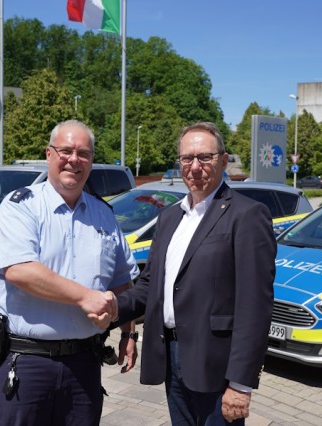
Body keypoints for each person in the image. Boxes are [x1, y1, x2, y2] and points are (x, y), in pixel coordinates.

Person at [112, 122, 276, 425]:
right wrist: (112, 306)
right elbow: (150, 285)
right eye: (187, 158)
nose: (195, 166)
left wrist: (240, 383)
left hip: (216, 365)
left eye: (205, 157)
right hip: (171, 356)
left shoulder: (247, 215)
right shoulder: (170, 217)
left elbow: (255, 306)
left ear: (223, 161)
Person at [0, 120, 140, 425]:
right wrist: (86, 298)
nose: (74, 160)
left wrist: (128, 332)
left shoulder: (104, 215)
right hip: (27, 362)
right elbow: (19, 271)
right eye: (65, 151)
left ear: (91, 161)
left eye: (83, 153)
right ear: (49, 154)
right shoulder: (21, 206)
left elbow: (122, 281)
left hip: (84, 364)